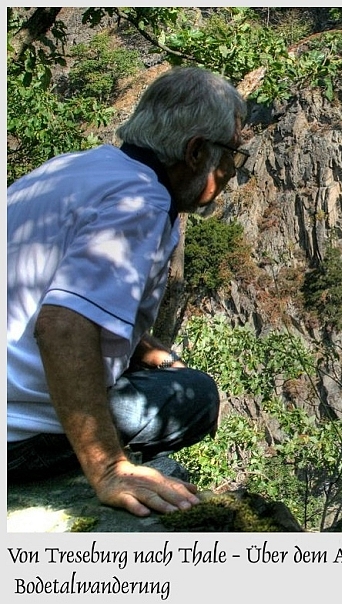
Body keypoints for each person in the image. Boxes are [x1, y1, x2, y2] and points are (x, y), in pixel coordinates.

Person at [6, 66, 249, 517]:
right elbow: (61, 325)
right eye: (233, 155)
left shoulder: (73, 167)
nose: (234, 171)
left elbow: (49, 291)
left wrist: (142, 349)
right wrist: (108, 467)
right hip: (14, 437)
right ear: (197, 152)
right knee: (194, 395)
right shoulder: (143, 202)